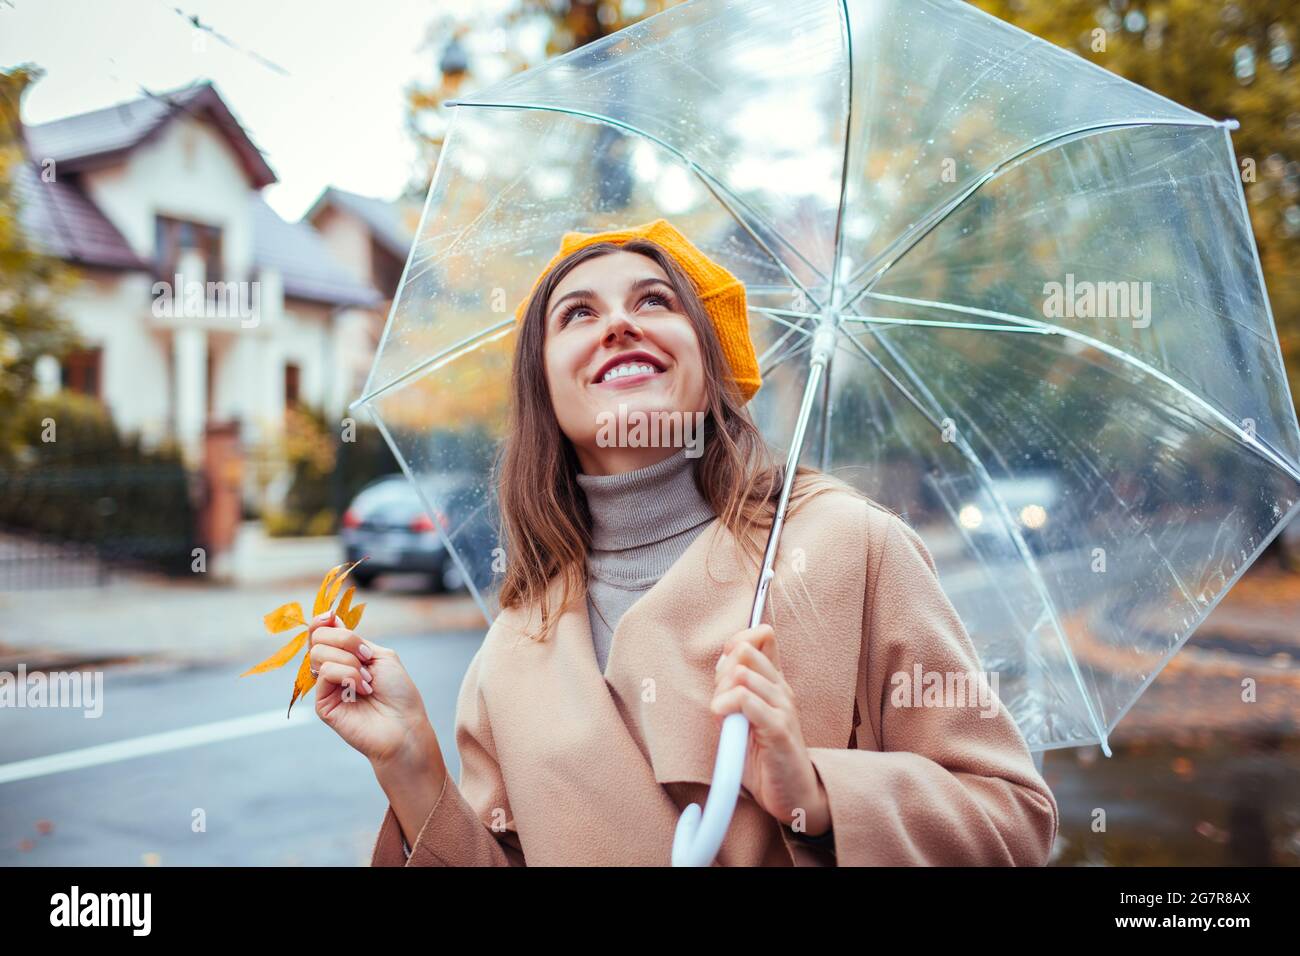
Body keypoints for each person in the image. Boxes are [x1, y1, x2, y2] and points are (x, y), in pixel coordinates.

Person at [309, 218, 1059, 866]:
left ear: (709, 363)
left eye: (654, 302)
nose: (617, 325)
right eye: (576, 314)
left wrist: (821, 797)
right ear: (544, 387)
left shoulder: (848, 547)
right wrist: (412, 768)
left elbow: (1013, 821)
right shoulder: (510, 651)